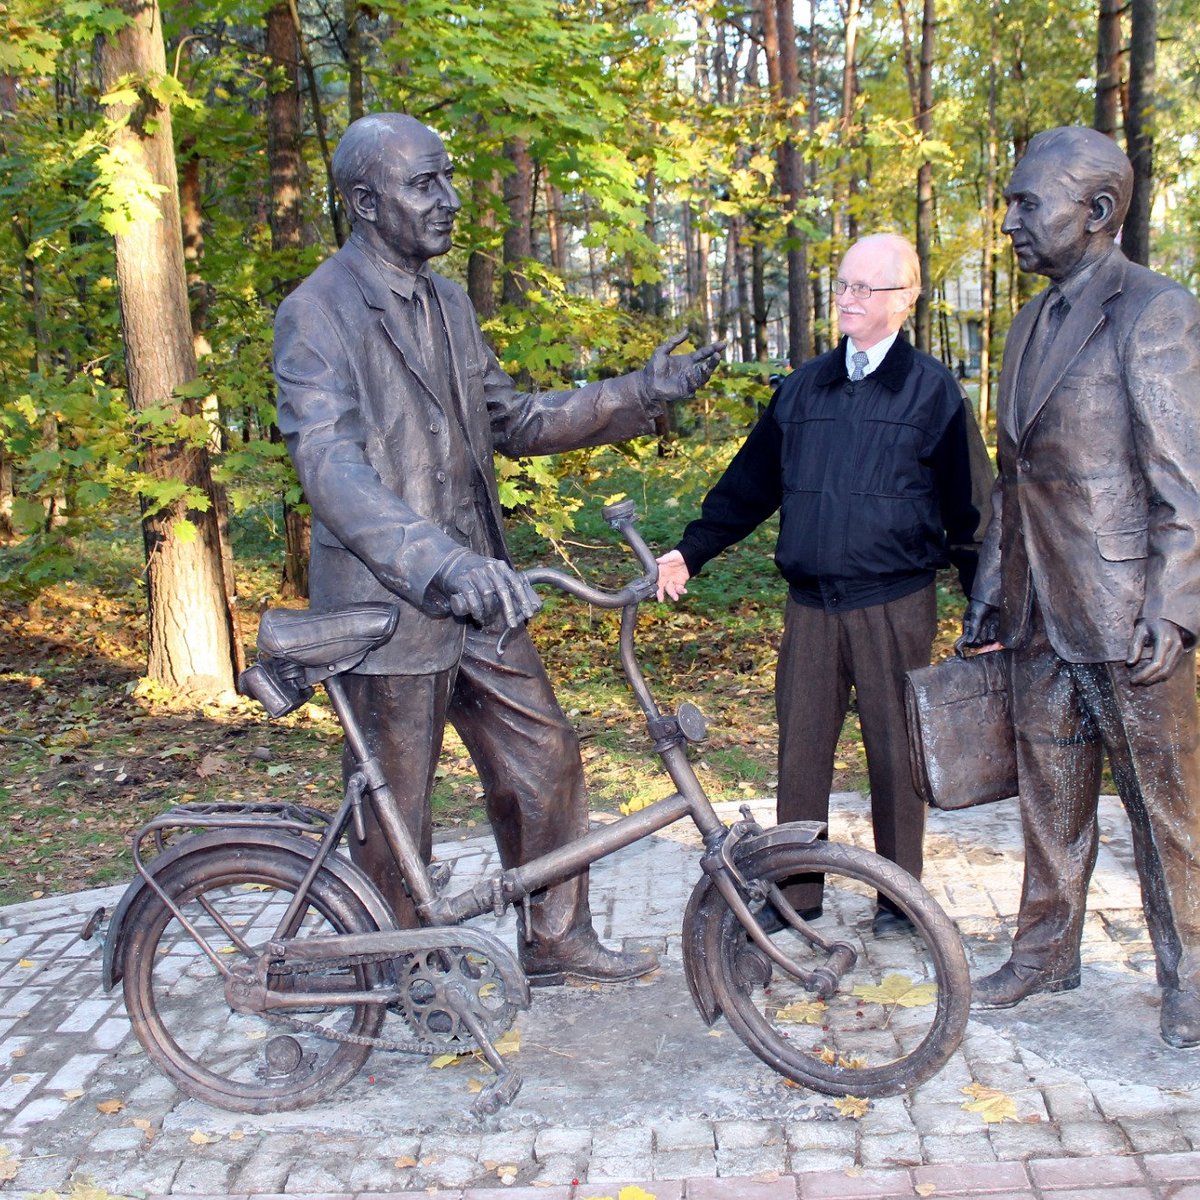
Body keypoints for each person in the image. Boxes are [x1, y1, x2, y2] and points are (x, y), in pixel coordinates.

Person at [273, 112, 722, 987]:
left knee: (545, 757)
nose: (447, 201)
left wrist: (640, 391)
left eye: (448, 179)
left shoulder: (447, 300)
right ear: (365, 202)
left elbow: (510, 419)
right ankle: (392, 969)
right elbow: (331, 468)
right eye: (423, 184)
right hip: (390, 604)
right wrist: (441, 564)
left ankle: (554, 940)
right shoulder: (317, 313)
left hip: (485, 594)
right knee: (395, 806)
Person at [657, 233, 984, 934]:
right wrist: (692, 550)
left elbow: (969, 509)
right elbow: (747, 488)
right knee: (800, 753)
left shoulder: (933, 392)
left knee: (898, 758)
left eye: (867, 288)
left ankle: (899, 900)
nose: (848, 297)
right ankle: (797, 892)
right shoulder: (804, 388)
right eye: (842, 283)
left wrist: (986, 606)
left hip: (895, 606)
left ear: (906, 301)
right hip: (810, 607)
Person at [960, 126, 1200, 1048]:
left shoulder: (1156, 311)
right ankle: (1046, 952)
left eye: (1028, 203)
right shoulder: (1028, 321)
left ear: (1097, 212)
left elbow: (1184, 482)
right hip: (1034, 607)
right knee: (1048, 796)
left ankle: (1188, 976)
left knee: (1165, 810)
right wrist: (989, 586)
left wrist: (1173, 608)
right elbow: (1011, 479)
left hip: (1124, 608)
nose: (1011, 220)